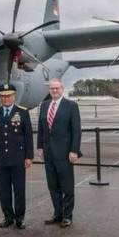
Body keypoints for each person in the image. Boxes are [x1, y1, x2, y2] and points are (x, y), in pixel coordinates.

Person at [37, 78, 82, 228]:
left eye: (57, 88)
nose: (54, 91)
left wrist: (74, 150)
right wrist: (40, 147)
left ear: (62, 89)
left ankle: (67, 215)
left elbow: (76, 131)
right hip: (48, 152)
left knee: (67, 185)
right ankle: (57, 213)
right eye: (52, 89)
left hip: (64, 153)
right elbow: (42, 129)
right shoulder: (44, 106)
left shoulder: (71, 106)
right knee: (53, 185)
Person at [0, 83, 34, 229]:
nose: (6, 98)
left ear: (14, 96)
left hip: (18, 157)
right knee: (4, 189)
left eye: (8, 96)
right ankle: (8, 217)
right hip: (1, 157)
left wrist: (29, 156)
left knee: (19, 190)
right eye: (3, 96)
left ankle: (20, 218)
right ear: (0, 97)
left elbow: (28, 136)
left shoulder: (22, 112)